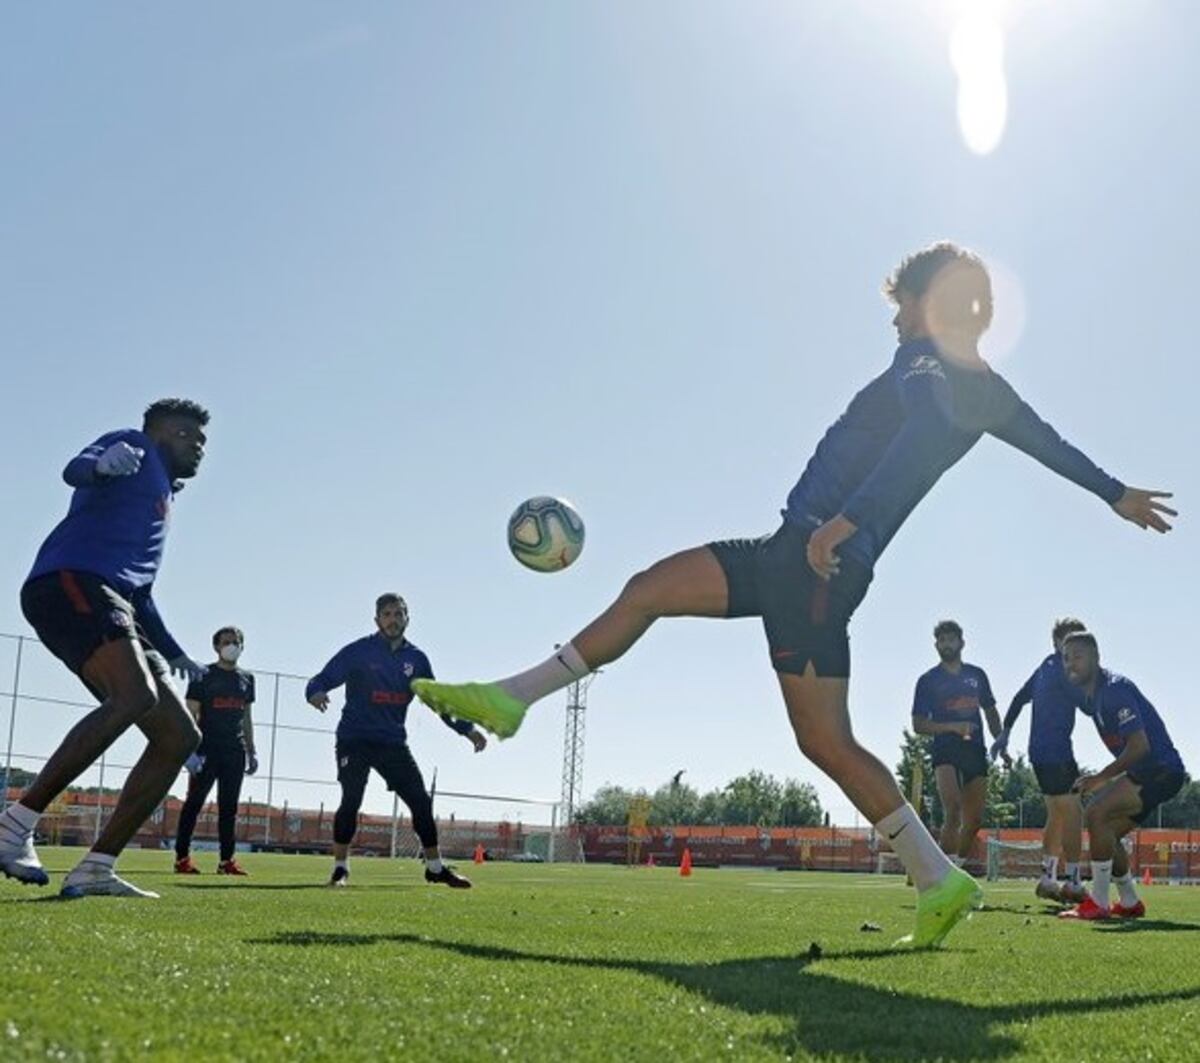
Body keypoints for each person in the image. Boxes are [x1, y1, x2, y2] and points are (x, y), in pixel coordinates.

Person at [412, 242, 1175, 947]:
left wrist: (850, 518)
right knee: (765, 690)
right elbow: (1046, 440)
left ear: (929, 300)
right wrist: (1112, 493)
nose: (895, 317)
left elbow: (916, 442)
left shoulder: (923, 362)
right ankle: (940, 879)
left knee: (795, 715)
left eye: (901, 302)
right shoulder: (984, 386)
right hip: (801, 553)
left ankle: (938, 876)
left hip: (816, 560)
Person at [0, 399, 209, 898]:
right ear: (158, 434)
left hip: (115, 598)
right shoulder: (135, 448)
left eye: (202, 440)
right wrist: (98, 464)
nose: (198, 446)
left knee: (179, 736)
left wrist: (175, 653)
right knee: (134, 696)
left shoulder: (164, 495)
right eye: (186, 435)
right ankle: (14, 824)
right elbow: (75, 469)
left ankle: (97, 867)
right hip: (71, 580)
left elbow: (140, 593)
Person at [305, 593, 485, 889]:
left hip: (392, 743)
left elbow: (437, 701)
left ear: (407, 619)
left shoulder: (416, 659)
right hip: (355, 739)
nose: (393, 619)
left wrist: (466, 729)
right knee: (351, 799)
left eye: (398, 614)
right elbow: (320, 679)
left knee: (421, 802)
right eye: (387, 614)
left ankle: (435, 868)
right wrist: (315, 693)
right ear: (377, 620)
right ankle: (340, 869)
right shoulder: (358, 651)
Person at [1057, 631, 1186, 920]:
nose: (1071, 664)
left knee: (1095, 813)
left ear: (1096, 657)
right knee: (1108, 834)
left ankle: (1098, 902)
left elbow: (1140, 746)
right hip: (1151, 772)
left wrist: (1100, 778)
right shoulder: (1093, 698)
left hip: (1159, 770)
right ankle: (1129, 902)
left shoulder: (1115, 690)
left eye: (1078, 656)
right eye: (1066, 659)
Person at [990, 617, 1087, 900]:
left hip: (1038, 752)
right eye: (1068, 639)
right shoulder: (1061, 667)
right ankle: (1074, 881)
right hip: (1056, 750)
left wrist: (1005, 732)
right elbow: (1088, 702)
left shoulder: (1045, 666)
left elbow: (1020, 697)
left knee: (1056, 814)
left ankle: (1047, 879)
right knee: (1073, 812)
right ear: (1057, 643)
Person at [911, 620, 1001, 868]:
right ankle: (942, 874)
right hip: (946, 749)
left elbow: (991, 711)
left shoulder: (977, 675)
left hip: (975, 749)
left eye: (951, 639)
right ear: (936, 645)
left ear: (961, 642)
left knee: (974, 820)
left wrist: (1000, 741)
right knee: (953, 809)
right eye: (941, 640)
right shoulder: (928, 680)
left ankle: (955, 869)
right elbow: (918, 725)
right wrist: (952, 727)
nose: (946, 644)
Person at [173, 625, 258, 875]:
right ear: (216, 646)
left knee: (229, 808)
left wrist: (252, 751)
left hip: (235, 751)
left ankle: (226, 861)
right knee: (194, 804)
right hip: (206, 750)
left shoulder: (247, 679)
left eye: (236, 641)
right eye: (226, 642)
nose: (231, 646)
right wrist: (188, 750)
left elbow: (247, 717)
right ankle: (182, 859)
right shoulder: (203, 675)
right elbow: (190, 714)